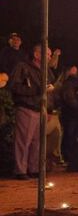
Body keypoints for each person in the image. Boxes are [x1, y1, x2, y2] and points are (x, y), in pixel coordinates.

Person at [9, 44, 46, 179]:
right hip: (26, 106)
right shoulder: (23, 66)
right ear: (36, 55)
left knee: (37, 142)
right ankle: (20, 170)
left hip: (39, 108)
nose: (49, 57)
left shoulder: (44, 70)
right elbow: (14, 86)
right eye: (46, 54)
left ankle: (33, 168)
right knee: (24, 141)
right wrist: (35, 91)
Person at [58, 65, 78, 164]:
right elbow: (69, 98)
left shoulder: (72, 84)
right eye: (73, 70)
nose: (76, 71)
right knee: (69, 134)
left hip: (71, 113)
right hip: (70, 113)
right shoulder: (69, 84)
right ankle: (68, 156)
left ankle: (70, 155)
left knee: (71, 134)